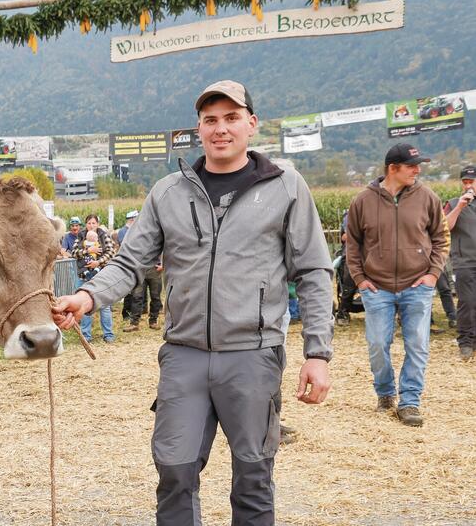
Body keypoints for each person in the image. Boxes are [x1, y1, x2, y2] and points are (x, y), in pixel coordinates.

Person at [52, 80, 333, 525]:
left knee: (254, 478)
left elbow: (314, 271)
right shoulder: (168, 192)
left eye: (231, 118)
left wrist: (317, 353)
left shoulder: (286, 188)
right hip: (184, 357)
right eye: (210, 120)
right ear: (198, 129)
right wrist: (87, 296)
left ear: (252, 124)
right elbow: (129, 263)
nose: (221, 129)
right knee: (174, 472)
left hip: (253, 355)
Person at [346, 142, 448, 427]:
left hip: (417, 285)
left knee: (417, 344)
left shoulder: (428, 198)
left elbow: (441, 238)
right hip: (376, 288)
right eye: (412, 166)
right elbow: (352, 245)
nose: (417, 171)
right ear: (393, 168)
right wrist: (360, 279)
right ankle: (385, 392)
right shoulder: (362, 201)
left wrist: (432, 274)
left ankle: (410, 401)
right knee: (378, 344)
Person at [443, 165, 476, 360]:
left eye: (471, 181)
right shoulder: (454, 203)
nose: (468, 185)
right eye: (465, 182)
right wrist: (460, 207)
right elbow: (444, 227)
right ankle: (465, 342)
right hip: (465, 262)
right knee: (467, 302)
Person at [70, 214, 115, 344]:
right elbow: (74, 252)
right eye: (89, 223)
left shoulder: (104, 235)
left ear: (97, 224)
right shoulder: (81, 236)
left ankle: (108, 334)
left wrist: (98, 262)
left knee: (105, 305)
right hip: (83, 275)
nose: (91, 225)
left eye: (94, 223)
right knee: (84, 306)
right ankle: (86, 335)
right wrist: (88, 250)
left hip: (101, 275)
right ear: (86, 224)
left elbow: (111, 252)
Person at [118, 211, 141, 330]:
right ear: (132, 219)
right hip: (128, 263)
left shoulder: (135, 230)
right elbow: (124, 245)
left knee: (135, 292)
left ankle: (132, 315)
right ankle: (126, 313)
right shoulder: (123, 231)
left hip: (136, 264)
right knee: (128, 291)